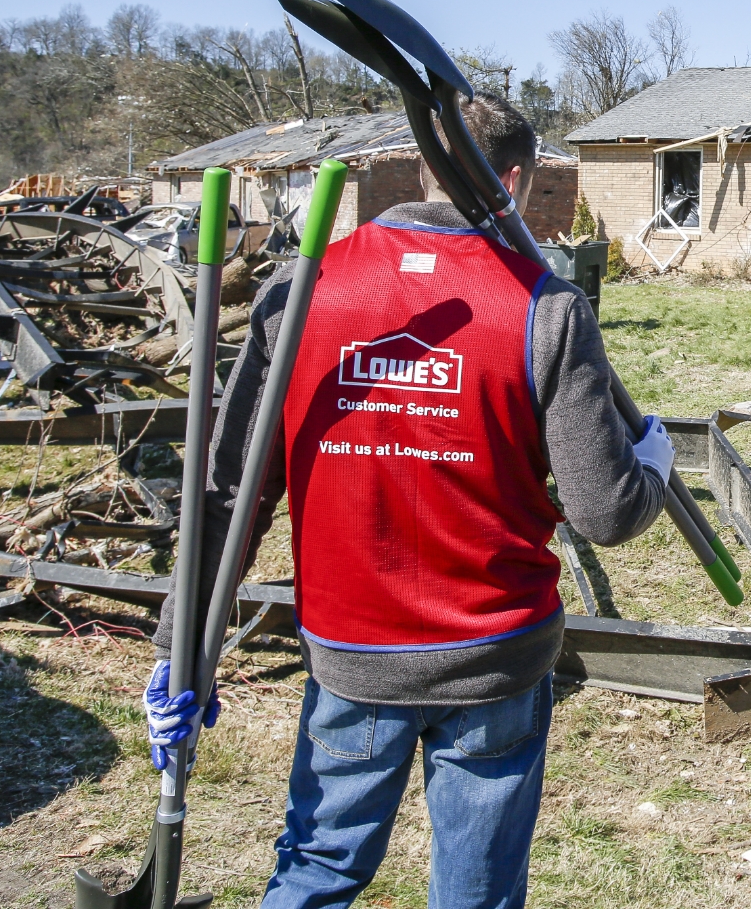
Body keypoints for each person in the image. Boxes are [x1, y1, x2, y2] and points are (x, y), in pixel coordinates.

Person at [147, 93, 673, 909]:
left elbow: (228, 493)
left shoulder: (297, 294)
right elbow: (604, 511)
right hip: (494, 655)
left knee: (319, 869)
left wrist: (180, 650)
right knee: (478, 887)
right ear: (512, 180)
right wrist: (655, 469)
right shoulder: (547, 307)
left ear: (427, 169)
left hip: (353, 654)